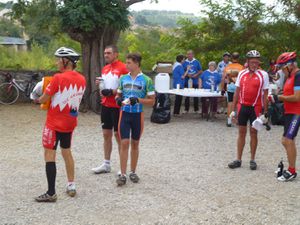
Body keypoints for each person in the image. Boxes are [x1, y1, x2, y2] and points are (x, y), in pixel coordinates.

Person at [35, 47, 86, 202]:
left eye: (59, 59)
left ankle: (51, 193)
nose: (57, 62)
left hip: (54, 123)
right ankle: (71, 185)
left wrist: (36, 99)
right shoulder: (82, 79)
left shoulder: (58, 78)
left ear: (67, 61)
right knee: (67, 152)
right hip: (70, 122)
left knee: (50, 154)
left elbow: (44, 98)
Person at [115, 53, 155, 186]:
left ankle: (133, 171)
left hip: (138, 115)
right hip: (125, 114)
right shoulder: (123, 78)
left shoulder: (147, 80)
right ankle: (122, 174)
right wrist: (118, 100)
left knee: (135, 143)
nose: (126, 65)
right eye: (126, 62)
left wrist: (137, 100)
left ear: (137, 64)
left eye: (128, 63)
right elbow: (118, 95)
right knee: (124, 142)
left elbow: (152, 101)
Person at [228, 50, 269, 170]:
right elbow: (237, 92)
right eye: (252, 62)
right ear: (247, 62)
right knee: (241, 132)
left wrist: (265, 111)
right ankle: (238, 159)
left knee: (253, 133)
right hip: (242, 106)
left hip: (255, 107)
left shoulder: (263, 75)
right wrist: (233, 109)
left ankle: (252, 159)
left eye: (256, 62)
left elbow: (265, 94)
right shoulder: (242, 73)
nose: (254, 64)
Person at [91, 45, 128, 174]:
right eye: (105, 53)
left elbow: (127, 87)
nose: (106, 55)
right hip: (105, 105)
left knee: (118, 135)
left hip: (118, 106)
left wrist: (112, 91)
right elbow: (105, 86)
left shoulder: (123, 68)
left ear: (116, 54)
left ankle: (122, 167)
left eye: (109, 53)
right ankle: (106, 164)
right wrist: (100, 85)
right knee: (106, 134)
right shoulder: (105, 68)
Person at [269, 52, 300, 181]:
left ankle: (292, 170)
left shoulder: (298, 75)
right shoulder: (291, 76)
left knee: (288, 140)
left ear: (290, 65)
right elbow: (288, 92)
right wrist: (277, 94)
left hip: (296, 113)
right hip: (289, 112)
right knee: (285, 141)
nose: (282, 71)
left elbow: (297, 97)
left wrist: (279, 97)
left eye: (283, 68)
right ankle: (290, 166)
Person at [222, 52, 244, 127]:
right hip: (239, 87)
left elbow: (223, 78)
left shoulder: (228, 67)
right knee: (238, 104)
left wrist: (222, 88)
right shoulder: (242, 67)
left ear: (231, 58)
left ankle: (229, 121)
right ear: (238, 58)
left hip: (230, 87)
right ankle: (239, 120)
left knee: (230, 103)